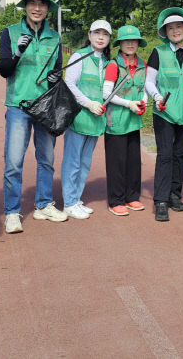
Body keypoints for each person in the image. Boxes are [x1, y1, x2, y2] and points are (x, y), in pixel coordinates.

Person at [0, 0, 66, 233]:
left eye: (42, 4)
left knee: (47, 159)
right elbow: (4, 70)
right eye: (32, 3)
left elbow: (57, 71)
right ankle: (12, 212)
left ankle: (44, 204)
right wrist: (18, 52)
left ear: (48, 9)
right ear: (25, 6)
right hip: (19, 106)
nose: (37, 8)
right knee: (14, 162)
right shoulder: (10, 32)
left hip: (46, 106)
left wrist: (53, 79)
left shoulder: (55, 37)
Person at [145, 7, 183, 222]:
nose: (175, 31)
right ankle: (160, 200)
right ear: (165, 32)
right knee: (165, 154)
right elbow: (149, 82)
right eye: (170, 28)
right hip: (165, 111)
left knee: (181, 154)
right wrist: (158, 97)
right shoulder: (158, 52)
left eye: (178, 27)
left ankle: (174, 194)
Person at [61, 19, 112, 219]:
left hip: (96, 120)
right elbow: (70, 85)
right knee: (73, 161)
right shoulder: (79, 56)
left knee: (84, 162)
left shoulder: (107, 63)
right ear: (89, 35)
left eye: (105, 34)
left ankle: (76, 198)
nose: (101, 37)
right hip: (79, 117)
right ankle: (69, 202)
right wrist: (88, 103)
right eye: (97, 33)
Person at [103, 25, 148, 216]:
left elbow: (145, 88)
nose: (130, 44)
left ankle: (132, 197)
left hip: (133, 121)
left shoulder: (142, 65)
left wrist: (144, 101)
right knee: (117, 162)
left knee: (133, 161)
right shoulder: (113, 65)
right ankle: (116, 200)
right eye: (126, 41)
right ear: (120, 44)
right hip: (116, 121)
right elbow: (107, 94)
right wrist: (129, 103)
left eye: (134, 41)